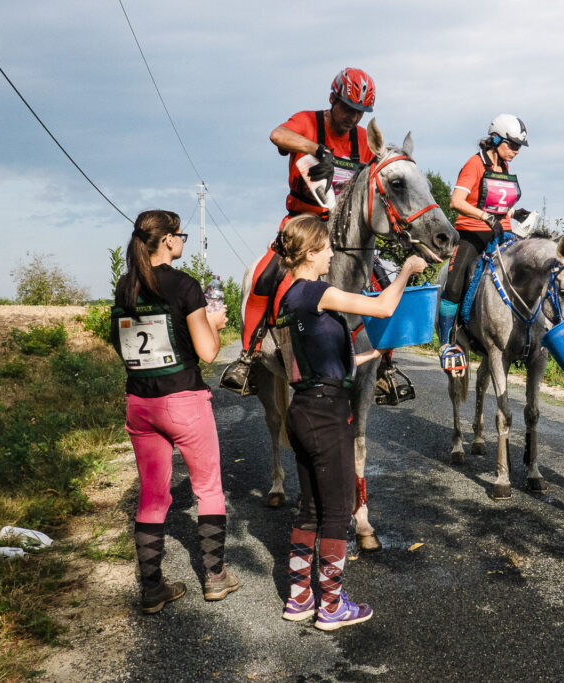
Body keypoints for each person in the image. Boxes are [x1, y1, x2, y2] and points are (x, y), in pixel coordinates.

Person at [272, 214, 427, 630]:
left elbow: (310, 361)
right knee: (338, 511)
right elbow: (382, 306)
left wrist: (362, 358)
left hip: (304, 407)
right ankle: (333, 606)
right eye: (326, 248)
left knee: (308, 508)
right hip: (326, 414)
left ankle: (300, 598)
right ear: (308, 253)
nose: (332, 255)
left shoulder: (290, 298)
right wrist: (408, 270)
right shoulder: (318, 291)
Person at [111, 210, 239, 613]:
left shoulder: (125, 285)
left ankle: (151, 589)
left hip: (139, 403)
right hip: (184, 401)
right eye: (180, 234)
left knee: (151, 496)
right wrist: (216, 324)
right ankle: (215, 578)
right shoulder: (184, 285)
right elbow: (207, 353)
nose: (182, 239)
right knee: (209, 489)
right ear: (167, 240)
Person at [220, 68, 377, 393]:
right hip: (301, 225)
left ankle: (385, 364)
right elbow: (277, 135)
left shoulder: (361, 139)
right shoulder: (309, 121)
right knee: (265, 276)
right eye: (347, 107)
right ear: (333, 98)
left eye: (359, 112)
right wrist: (316, 149)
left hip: (345, 232)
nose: (352, 117)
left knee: (380, 280)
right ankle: (247, 358)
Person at [437, 114, 533, 373]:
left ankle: (524, 341)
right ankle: (446, 343)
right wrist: (485, 217)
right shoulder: (474, 164)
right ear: (496, 139)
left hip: (502, 233)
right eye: (512, 144)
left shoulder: (504, 168)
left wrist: (514, 213)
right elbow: (456, 201)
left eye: (518, 147)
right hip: (473, 234)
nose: (515, 151)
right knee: (455, 284)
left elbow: (498, 204)